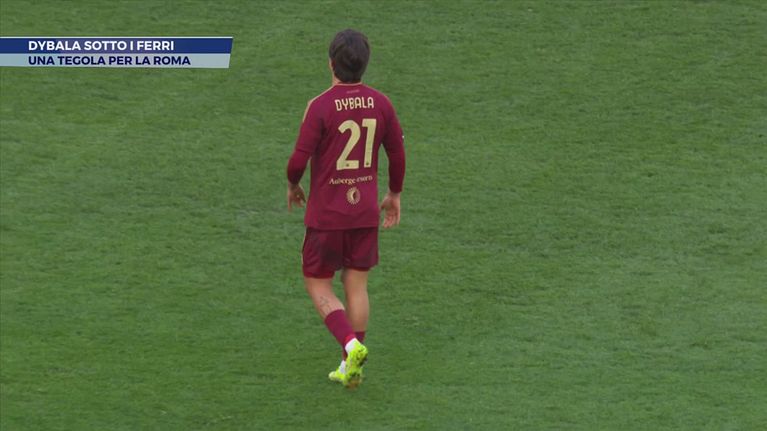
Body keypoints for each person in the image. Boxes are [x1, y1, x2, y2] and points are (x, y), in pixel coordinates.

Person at [285, 29, 405, 389]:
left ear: (330, 63)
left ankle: (350, 346)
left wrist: (293, 184)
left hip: (327, 215)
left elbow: (298, 160)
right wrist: (394, 194)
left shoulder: (320, 106)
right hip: (364, 212)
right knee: (356, 284)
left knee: (317, 282)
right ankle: (351, 367)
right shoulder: (382, 103)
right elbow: (397, 153)